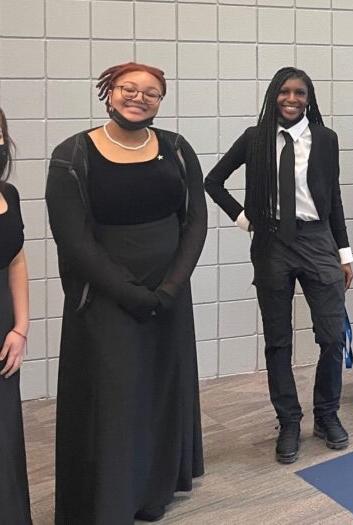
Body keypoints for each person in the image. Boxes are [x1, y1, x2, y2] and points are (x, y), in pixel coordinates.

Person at [47, 62, 206, 524]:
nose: (138, 98)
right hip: (104, 296)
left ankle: (155, 490)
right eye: (128, 89)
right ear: (109, 93)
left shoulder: (177, 148)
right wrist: (131, 294)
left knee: (159, 388)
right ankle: (113, 498)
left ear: (161, 100)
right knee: (115, 397)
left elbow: (195, 219)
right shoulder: (72, 153)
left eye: (150, 93)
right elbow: (73, 240)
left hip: (168, 293)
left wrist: (171, 287)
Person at [205, 67, 353, 463]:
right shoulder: (255, 139)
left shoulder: (325, 139)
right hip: (271, 244)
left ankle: (327, 414)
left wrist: (344, 253)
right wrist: (244, 218)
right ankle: (288, 421)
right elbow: (214, 180)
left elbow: (333, 196)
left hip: (318, 239)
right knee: (278, 341)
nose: (292, 99)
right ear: (274, 96)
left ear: (309, 98)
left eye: (300, 93)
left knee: (332, 336)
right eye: (284, 92)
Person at [0, 107, 31, 525]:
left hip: (4, 323)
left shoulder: (8, 194)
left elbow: (17, 261)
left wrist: (20, 327)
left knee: (4, 433)